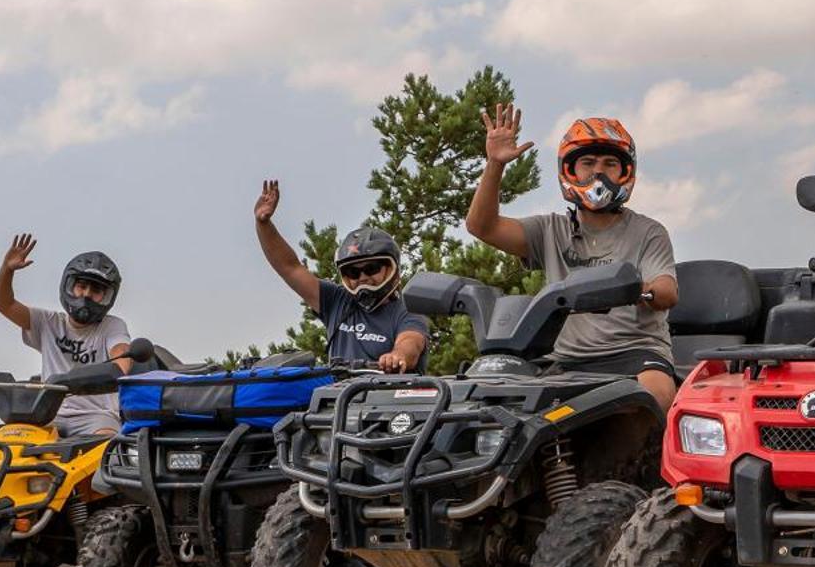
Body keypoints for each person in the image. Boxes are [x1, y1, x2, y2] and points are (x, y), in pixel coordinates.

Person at [465, 107, 681, 410]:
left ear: (624, 172)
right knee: (496, 401)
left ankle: (655, 458)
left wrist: (633, 289)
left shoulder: (648, 231)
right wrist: (495, 165)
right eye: (588, 162)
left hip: (634, 351)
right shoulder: (550, 229)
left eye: (609, 163)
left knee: (656, 393)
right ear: (570, 169)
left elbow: (667, 290)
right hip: (564, 358)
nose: (598, 171)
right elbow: (481, 226)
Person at [253, 180, 429, 372]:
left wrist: (397, 356)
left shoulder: (408, 311)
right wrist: (263, 224)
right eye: (352, 272)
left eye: (371, 268)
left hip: (388, 398)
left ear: (391, 269)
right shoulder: (337, 301)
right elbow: (290, 268)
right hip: (339, 398)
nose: (362, 277)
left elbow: (411, 342)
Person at [0, 236, 134, 435]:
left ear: (107, 296)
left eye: (96, 290)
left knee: (107, 447)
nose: (86, 294)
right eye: (81, 286)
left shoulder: (112, 326)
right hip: (48, 412)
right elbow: (4, 304)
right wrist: (7, 270)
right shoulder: (48, 322)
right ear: (69, 286)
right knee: (10, 442)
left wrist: (115, 368)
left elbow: (121, 359)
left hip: (96, 415)